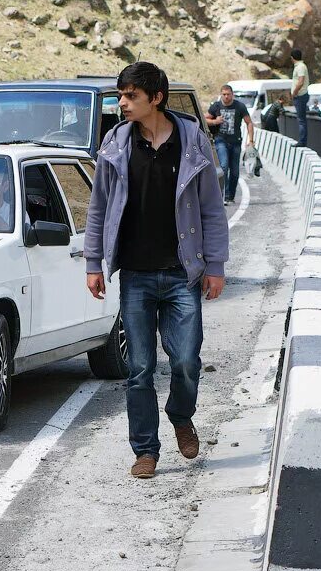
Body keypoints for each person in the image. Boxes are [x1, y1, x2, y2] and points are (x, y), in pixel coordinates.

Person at [84, 62, 229, 480]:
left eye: (130, 96)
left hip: (182, 274)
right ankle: (145, 450)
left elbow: (211, 209)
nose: (122, 103)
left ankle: (181, 416)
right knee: (140, 368)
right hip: (136, 275)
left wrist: (215, 266)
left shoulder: (192, 142)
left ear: (156, 98)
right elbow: (98, 209)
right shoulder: (115, 143)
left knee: (185, 360)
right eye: (120, 95)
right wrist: (94, 262)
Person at [206, 84, 254, 204]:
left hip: (236, 142)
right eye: (224, 94)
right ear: (221, 94)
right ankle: (223, 195)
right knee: (223, 166)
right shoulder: (216, 106)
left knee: (235, 171)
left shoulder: (239, 106)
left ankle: (230, 196)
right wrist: (214, 121)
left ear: (232, 94)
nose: (226, 97)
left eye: (228, 94)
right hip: (220, 140)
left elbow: (249, 122)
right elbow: (204, 118)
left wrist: (251, 141)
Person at [290, 49, 310, 146]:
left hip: (300, 96)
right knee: (301, 119)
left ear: (292, 58)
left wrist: (294, 92)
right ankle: (302, 141)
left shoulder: (300, 67)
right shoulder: (299, 66)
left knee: (301, 120)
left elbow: (301, 81)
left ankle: (302, 141)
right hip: (300, 95)